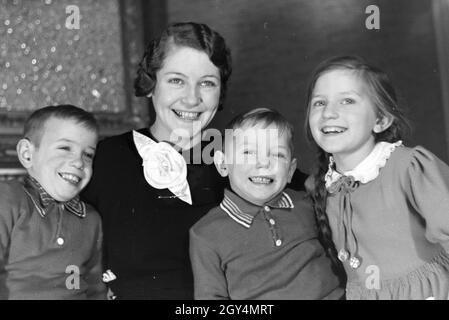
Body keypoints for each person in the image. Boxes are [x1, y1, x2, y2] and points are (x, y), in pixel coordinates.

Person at [81, 22, 233, 299]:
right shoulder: (104, 160)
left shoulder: (246, 160)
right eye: (177, 80)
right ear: (151, 84)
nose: (192, 98)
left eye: (207, 83)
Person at [305, 55, 449, 300]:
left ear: (381, 120)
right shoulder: (317, 185)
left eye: (347, 101)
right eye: (320, 103)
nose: (329, 112)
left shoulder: (409, 167)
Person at [189, 108, 344, 299]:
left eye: (277, 155)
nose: (263, 163)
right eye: (248, 152)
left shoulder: (306, 204)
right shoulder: (205, 233)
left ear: (290, 170)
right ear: (223, 164)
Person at [0, 105, 106, 299]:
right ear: (27, 154)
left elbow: (95, 286)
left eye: (88, 154)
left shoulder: (91, 219)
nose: (79, 162)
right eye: (65, 148)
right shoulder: (8, 199)